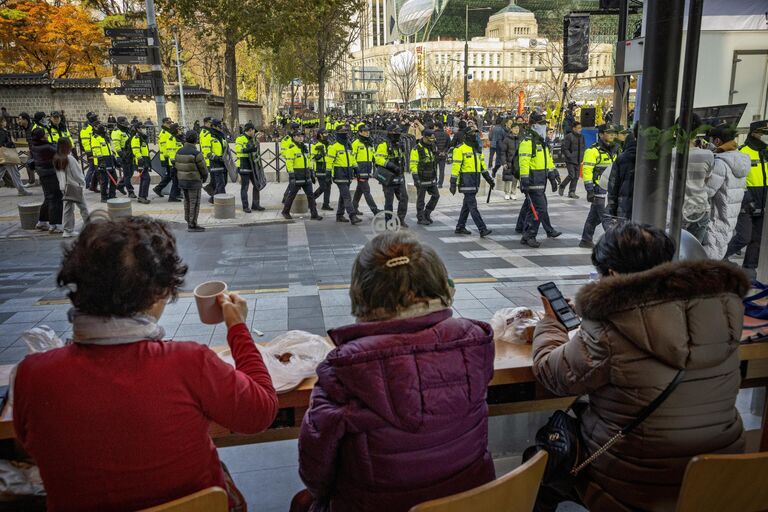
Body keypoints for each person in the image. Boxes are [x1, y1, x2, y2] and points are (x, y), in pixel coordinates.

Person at [13, 217, 278, 511]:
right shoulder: (189, 362)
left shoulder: (32, 375)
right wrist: (237, 327)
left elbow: (29, 443)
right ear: (160, 292)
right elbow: (261, 412)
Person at [531, 222, 747, 512]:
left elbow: (551, 374)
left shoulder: (608, 328)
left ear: (614, 274)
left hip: (637, 488)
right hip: (720, 477)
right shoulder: (721, 313)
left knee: (544, 463)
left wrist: (549, 323)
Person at [294, 231, 495, 512]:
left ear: (360, 293)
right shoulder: (475, 344)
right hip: (476, 502)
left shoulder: (344, 370)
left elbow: (315, 474)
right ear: (442, 286)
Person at [702, 123, 750, 260]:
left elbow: (707, 192)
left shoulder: (721, 163)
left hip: (716, 217)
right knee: (719, 250)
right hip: (730, 217)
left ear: (717, 141)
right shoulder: (741, 161)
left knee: (710, 256)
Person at [725, 119, 767, 271]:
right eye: (762, 133)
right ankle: (720, 256)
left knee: (757, 239)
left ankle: (749, 269)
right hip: (747, 200)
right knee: (744, 237)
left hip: (764, 200)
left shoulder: (766, 152)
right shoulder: (743, 152)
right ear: (753, 133)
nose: (764, 136)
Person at [517, 113, 561, 247]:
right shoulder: (528, 141)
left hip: (541, 180)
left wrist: (553, 175)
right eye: (540, 124)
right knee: (540, 208)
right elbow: (524, 162)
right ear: (533, 125)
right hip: (532, 180)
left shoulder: (541, 142)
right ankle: (530, 235)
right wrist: (524, 179)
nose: (544, 126)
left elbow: (548, 161)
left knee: (535, 209)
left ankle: (526, 235)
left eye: (544, 124)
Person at [579, 124, 619, 249]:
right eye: (609, 132)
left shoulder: (615, 149)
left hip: (610, 187)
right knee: (606, 216)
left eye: (613, 133)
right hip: (598, 188)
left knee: (594, 216)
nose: (612, 135)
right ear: (601, 134)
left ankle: (586, 239)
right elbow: (587, 171)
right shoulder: (592, 151)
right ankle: (615, 245)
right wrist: (589, 189)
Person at [450, 127, 493, 237]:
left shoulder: (477, 149)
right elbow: (456, 167)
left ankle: (460, 227)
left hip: (475, 181)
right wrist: (453, 183)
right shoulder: (460, 149)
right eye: (472, 133)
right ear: (467, 135)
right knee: (472, 206)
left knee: (467, 206)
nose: (475, 135)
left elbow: (482, 166)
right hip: (466, 182)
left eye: (475, 133)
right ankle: (482, 229)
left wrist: (489, 179)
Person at [281, 129, 322, 221]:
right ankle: (285, 212)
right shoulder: (291, 149)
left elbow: (308, 160)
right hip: (297, 175)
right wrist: (291, 174)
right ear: (294, 137)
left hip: (306, 175)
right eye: (298, 136)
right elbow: (289, 162)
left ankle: (314, 214)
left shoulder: (304, 148)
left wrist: (311, 172)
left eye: (302, 136)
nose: (301, 138)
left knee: (310, 196)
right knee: (291, 195)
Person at [53, 137, 88, 238]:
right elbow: (77, 174)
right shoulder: (70, 158)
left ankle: (67, 230)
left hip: (64, 187)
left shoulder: (57, 157)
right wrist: (83, 183)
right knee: (83, 208)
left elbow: (59, 174)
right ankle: (89, 228)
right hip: (74, 186)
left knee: (68, 209)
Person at [375, 124, 409, 227]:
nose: (398, 134)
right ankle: (388, 221)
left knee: (404, 198)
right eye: (396, 132)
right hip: (389, 177)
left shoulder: (400, 144)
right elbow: (378, 159)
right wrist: (391, 166)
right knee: (389, 201)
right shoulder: (383, 145)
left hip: (399, 176)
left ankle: (400, 219)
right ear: (390, 133)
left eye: (399, 132)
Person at [29, 128, 63, 233]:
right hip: (51, 174)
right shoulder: (47, 147)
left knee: (48, 198)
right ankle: (55, 225)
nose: (47, 135)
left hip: (42, 174)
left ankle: (42, 222)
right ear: (41, 137)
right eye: (45, 134)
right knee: (56, 198)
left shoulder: (34, 146)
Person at [176, 130, 209, 232]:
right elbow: (204, 170)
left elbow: (176, 166)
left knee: (187, 201)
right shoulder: (197, 153)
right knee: (194, 202)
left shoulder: (179, 151)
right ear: (196, 140)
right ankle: (193, 224)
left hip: (182, 181)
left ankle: (188, 220)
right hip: (194, 182)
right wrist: (203, 178)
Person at [328, 125, 361, 225]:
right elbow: (329, 161)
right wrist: (328, 173)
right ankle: (352, 216)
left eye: (346, 131)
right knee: (347, 196)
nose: (345, 133)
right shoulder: (333, 147)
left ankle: (339, 215)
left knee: (343, 196)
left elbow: (352, 159)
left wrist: (356, 168)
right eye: (342, 131)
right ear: (338, 133)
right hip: (339, 175)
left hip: (348, 174)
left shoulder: (348, 145)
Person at [606, 124, 639, 220]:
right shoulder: (654, 159)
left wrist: (612, 208)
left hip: (624, 207)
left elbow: (613, 185)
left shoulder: (622, 158)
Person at [410, 129, 440, 225]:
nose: (431, 141)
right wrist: (416, 178)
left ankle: (427, 213)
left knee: (436, 195)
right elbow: (413, 164)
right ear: (424, 137)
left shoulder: (432, 146)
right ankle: (420, 217)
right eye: (430, 139)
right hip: (421, 177)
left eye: (432, 139)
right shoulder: (416, 149)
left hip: (431, 177)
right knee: (421, 199)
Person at [350, 124, 380, 215]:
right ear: (360, 132)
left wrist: (377, 163)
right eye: (365, 131)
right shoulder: (356, 143)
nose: (367, 133)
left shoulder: (369, 143)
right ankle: (375, 210)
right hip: (360, 171)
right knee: (366, 191)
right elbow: (352, 157)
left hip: (367, 170)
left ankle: (354, 208)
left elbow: (374, 155)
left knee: (359, 190)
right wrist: (355, 169)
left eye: (368, 131)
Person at [235, 123, 263, 213]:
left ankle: (255, 205)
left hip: (253, 165)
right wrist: (249, 148)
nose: (254, 132)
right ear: (250, 130)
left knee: (256, 185)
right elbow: (239, 149)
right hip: (244, 165)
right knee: (245, 187)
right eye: (254, 130)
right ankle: (245, 206)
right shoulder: (240, 138)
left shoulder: (254, 139)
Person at [0, 116, 30, 196]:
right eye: (4, 121)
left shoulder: (3, 131)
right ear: (1, 123)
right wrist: (11, 143)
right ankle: (21, 190)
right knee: (15, 173)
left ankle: (21, 189)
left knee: (1, 172)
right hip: (7, 155)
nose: (5, 122)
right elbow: (2, 143)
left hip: (2, 156)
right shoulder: (2, 132)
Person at [91, 123, 120, 203]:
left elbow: (110, 150)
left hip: (109, 160)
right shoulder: (95, 138)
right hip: (102, 161)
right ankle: (104, 197)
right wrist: (101, 161)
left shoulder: (106, 137)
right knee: (104, 180)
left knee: (114, 178)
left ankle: (112, 195)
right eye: (103, 128)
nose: (105, 130)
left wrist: (114, 160)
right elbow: (96, 150)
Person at [498, 120, 523, 200]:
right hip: (508, 161)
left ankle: (513, 192)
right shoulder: (507, 139)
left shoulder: (521, 139)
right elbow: (503, 152)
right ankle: (507, 192)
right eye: (515, 128)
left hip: (517, 162)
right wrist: (504, 162)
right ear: (511, 129)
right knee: (508, 178)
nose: (516, 130)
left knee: (515, 178)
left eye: (518, 128)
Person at [559, 121, 585, 198]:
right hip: (570, 160)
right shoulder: (569, 136)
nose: (580, 129)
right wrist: (569, 156)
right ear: (574, 129)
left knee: (576, 176)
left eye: (581, 128)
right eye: (579, 128)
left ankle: (572, 192)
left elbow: (583, 147)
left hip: (578, 160)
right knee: (571, 175)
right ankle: (562, 186)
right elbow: (564, 148)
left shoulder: (582, 137)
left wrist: (582, 157)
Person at [153, 117, 177, 199]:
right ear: (163, 123)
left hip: (169, 157)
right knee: (173, 175)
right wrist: (170, 158)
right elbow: (164, 148)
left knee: (170, 175)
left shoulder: (168, 132)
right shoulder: (163, 133)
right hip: (167, 158)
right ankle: (174, 194)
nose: (170, 124)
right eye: (168, 123)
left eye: (170, 123)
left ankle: (158, 188)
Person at [129, 122, 152, 204]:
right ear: (137, 129)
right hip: (141, 161)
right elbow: (135, 150)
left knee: (144, 178)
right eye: (141, 128)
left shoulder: (142, 137)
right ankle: (142, 196)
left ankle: (141, 196)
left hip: (144, 160)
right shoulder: (136, 138)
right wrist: (140, 159)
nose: (143, 130)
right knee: (146, 178)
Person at [206, 119, 228, 202]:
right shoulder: (209, 136)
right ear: (214, 126)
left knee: (224, 181)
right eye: (219, 126)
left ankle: (212, 198)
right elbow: (207, 152)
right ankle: (223, 201)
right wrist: (216, 157)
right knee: (220, 183)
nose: (221, 127)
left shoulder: (221, 135)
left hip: (224, 162)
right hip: (215, 163)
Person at [311, 129, 334, 211]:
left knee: (328, 187)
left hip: (328, 168)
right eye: (324, 133)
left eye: (327, 133)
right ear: (320, 134)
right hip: (320, 167)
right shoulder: (316, 145)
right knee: (323, 187)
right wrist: (320, 155)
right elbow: (312, 158)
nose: (326, 134)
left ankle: (326, 204)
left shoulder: (330, 144)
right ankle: (312, 199)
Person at [111, 117, 133, 197]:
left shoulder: (126, 130)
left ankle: (120, 186)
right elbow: (116, 145)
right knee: (127, 174)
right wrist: (122, 155)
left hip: (129, 154)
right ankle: (131, 191)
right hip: (122, 155)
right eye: (124, 122)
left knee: (131, 173)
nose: (126, 124)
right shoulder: (116, 132)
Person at [79, 112, 98, 192]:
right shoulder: (86, 128)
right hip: (91, 151)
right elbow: (85, 142)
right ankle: (86, 183)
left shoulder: (93, 126)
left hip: (97, 150)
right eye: (93, 117)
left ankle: (93, 186)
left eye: (95, 116)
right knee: (92, 168)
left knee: (96, 168)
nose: (95, 118)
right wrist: (89, 152)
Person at [433, 121, 451, 188]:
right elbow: (449, 144)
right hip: (443, 155)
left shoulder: (433, 134)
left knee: (434, 169)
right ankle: (440, 184)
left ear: (437, 127)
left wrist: (438, 152)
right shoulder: (446, 134)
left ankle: (434, 182)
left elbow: (433, 145)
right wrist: (444, 151)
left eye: (434, 126)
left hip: (435, 154)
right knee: (442, 170)